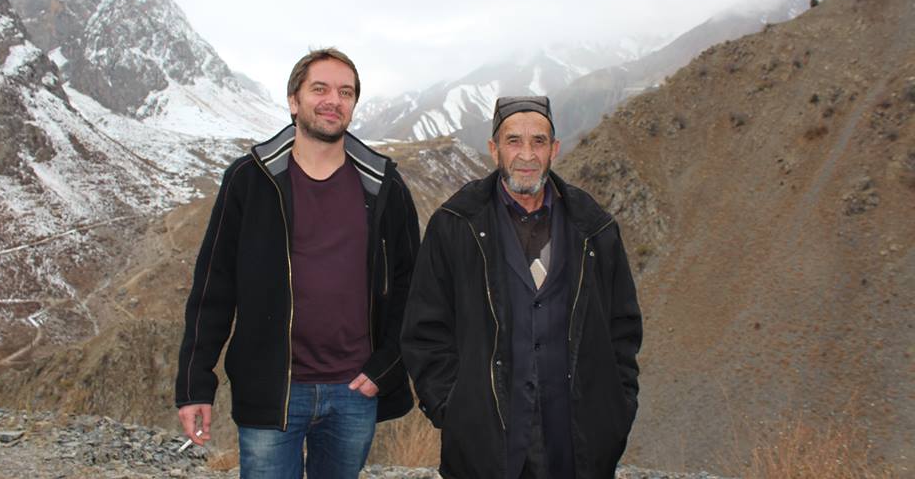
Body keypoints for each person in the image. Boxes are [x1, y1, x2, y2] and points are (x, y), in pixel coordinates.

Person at [175, 48, 420, 479]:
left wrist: (387, 365)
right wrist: (195, 385)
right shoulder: (250, 180)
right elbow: (214, 285)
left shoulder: (384, 186)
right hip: (271, 389)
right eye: (320, 89)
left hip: (354, 391)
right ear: (294, 100)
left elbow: (411, 286)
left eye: (345, 92)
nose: (333, 100)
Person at [401, 96, 642, 479]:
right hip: (484, 448)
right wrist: (453, 409)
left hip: (577, 447)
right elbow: (424, 330)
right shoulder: (455, 224)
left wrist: (616, 410)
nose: (527, 155)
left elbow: (623, 329)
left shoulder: (593, 227)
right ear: (494, 148)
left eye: (538, 142)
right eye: (514, 141)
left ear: (554, 149)